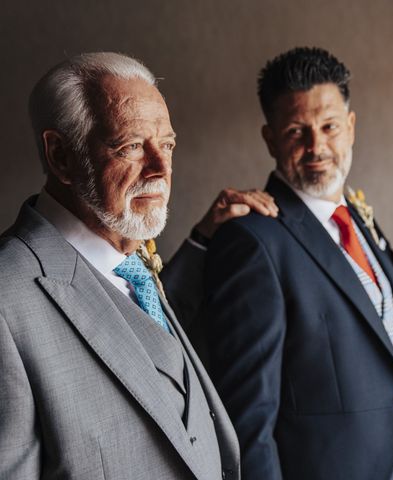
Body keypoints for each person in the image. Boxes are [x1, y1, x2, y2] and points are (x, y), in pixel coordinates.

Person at [190, 46, 393, 480]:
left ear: (350, 127)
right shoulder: (252, 240)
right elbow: (247, 417)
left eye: (329, 126)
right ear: (270, 138)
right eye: (297, 131)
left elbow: (389, 311)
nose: (317, 146)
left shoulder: (355, 217)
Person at [0, 52, 276, 479]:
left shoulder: (134, 264)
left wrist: (202, 237)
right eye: (130, 146)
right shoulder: (7, 298)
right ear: (60, 156)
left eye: (166, 145)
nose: (162, 168)